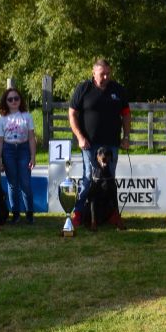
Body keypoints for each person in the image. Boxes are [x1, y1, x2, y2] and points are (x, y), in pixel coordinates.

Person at [68, 58, 130, 223]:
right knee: (89, 177)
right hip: (89, 144)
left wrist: (126, 137)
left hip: (112, 144)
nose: (105, 77)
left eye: (108, 74)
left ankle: (112, 214)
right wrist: (80, 137)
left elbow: (126, 114)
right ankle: (79, 213)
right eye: (102, 74)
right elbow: (72, 113)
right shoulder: (83, 88)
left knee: (109, 179)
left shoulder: (118, 89)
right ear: (93, 72)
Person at [0, 86, 37, 225]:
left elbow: (31, 138)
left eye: (16, 98)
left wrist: (33, 156)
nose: (13, 101)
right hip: (8, 150)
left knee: (25, 183)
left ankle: (29, 213)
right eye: (10, 99)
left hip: (24, 149)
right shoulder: (1, 118)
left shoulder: (27, 116)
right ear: (5, 101)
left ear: (20, 100)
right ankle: (15, 214)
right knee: (12, 184)